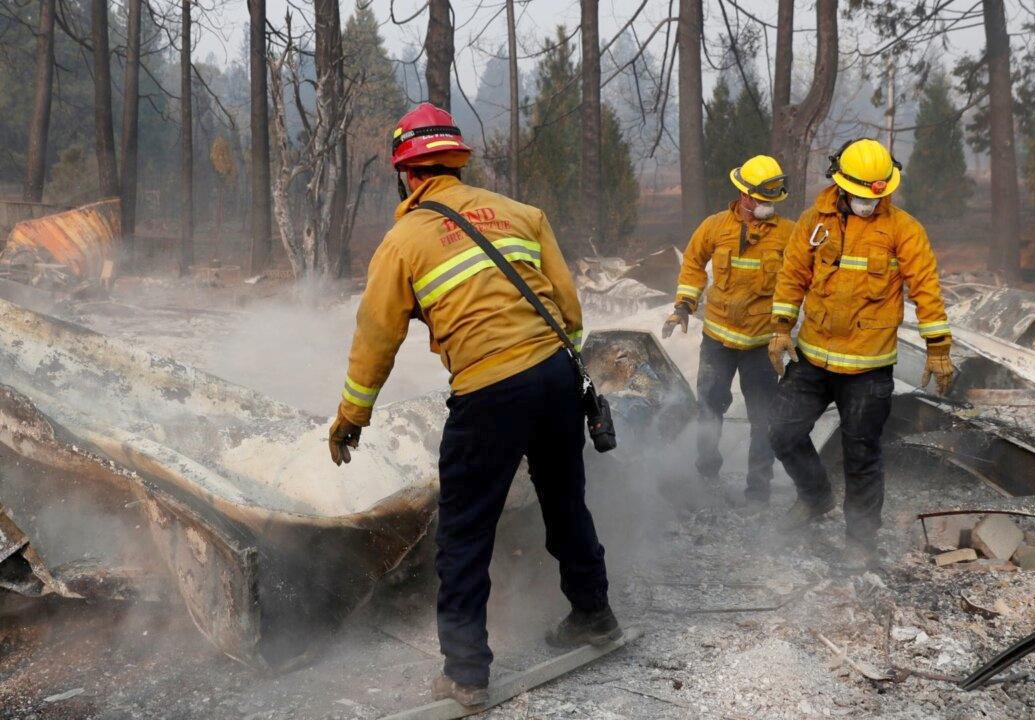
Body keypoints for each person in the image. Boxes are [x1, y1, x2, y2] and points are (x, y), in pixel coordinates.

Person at [327, 103, 619, 709]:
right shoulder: (521, 214)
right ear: (457, 160)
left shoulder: (403, 241)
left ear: (406, 174)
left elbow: (376, 338)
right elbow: (568, 310)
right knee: (565, 500)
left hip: (489, 392)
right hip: (556, 375)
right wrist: (554, 371)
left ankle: (465, 674)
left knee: (464, 531)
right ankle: (594, 615)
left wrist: (352, 417)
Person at [767, 137, 954, 569]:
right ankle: (816, 499)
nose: (872, 202)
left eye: (880, 194)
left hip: (869, 368)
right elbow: (793, 275)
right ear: (840, 182)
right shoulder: (814, 222)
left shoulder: (904, 229)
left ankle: (861, 542)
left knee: (861, 453)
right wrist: (780, 325)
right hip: (812, 357)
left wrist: (938, 346)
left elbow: (926, 288)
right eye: (863, 194)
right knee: (781, 432)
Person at [662, 155, 795, 508]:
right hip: (718, 340)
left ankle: (758, 491)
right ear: (744, 194)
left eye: (773, 201)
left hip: (762, 345)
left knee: (763, 418)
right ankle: (706, 473)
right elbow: (692, 263)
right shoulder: (715, 227)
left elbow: (802, 280)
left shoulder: (788, 234)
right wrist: (684, 304)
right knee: (709, 408)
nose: (769, 207)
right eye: (763, 200)